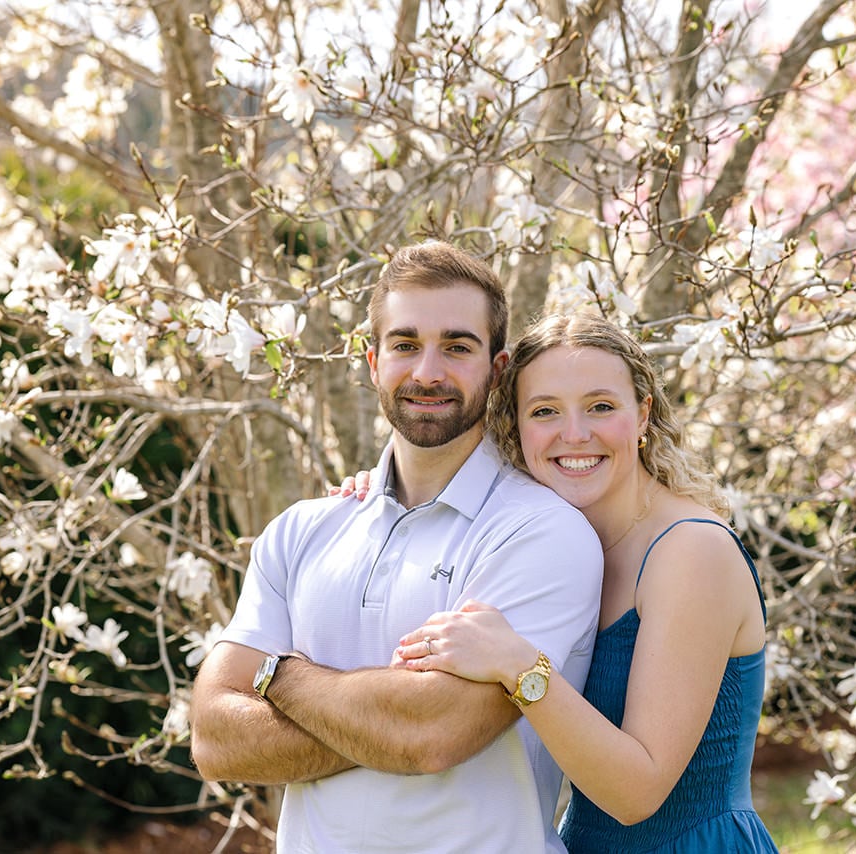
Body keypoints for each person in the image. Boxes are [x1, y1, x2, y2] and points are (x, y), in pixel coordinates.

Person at [187, 242, 604, 853]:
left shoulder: (543, 532)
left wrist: (279, 676)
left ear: (498, 365)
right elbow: (215, 740)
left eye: (457, 347)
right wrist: (385, 717)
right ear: (372, 361)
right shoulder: (302, 531)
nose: (428, 371)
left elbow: (431, 735)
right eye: (405, 344)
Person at [374, 313, 778, 851]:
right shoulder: (555, 542)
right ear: (516, 429)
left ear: (643, 415)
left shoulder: (691, 552)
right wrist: (381, 489)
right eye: (545, 412)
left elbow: (637, 792)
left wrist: (518, 664)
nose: (575, 434)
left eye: (601, 407)